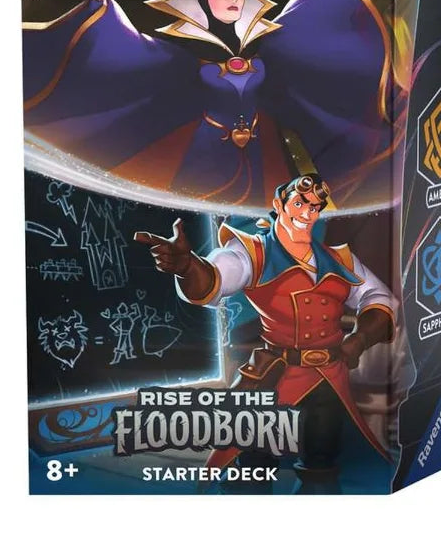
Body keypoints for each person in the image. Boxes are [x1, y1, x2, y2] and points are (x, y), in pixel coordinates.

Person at [23, 0, 395, 208]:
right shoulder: (184, 51)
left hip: (262, 150)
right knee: (208, 212)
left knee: (268, 218)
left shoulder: (263, 42)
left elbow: (302, 16)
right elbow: (131, 48)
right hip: (206, 151)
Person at [135, 174, 397, 491]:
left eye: (314, 207)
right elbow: (219, 276)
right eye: (299, 203)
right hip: (274, 375)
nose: (306, 213)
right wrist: (188, 267)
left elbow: (380, 299)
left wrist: (359, 339)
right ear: (279, 205)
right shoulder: (253, 252)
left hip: (328, 379)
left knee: (322, 470)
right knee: (252, 469)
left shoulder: (339, 259)